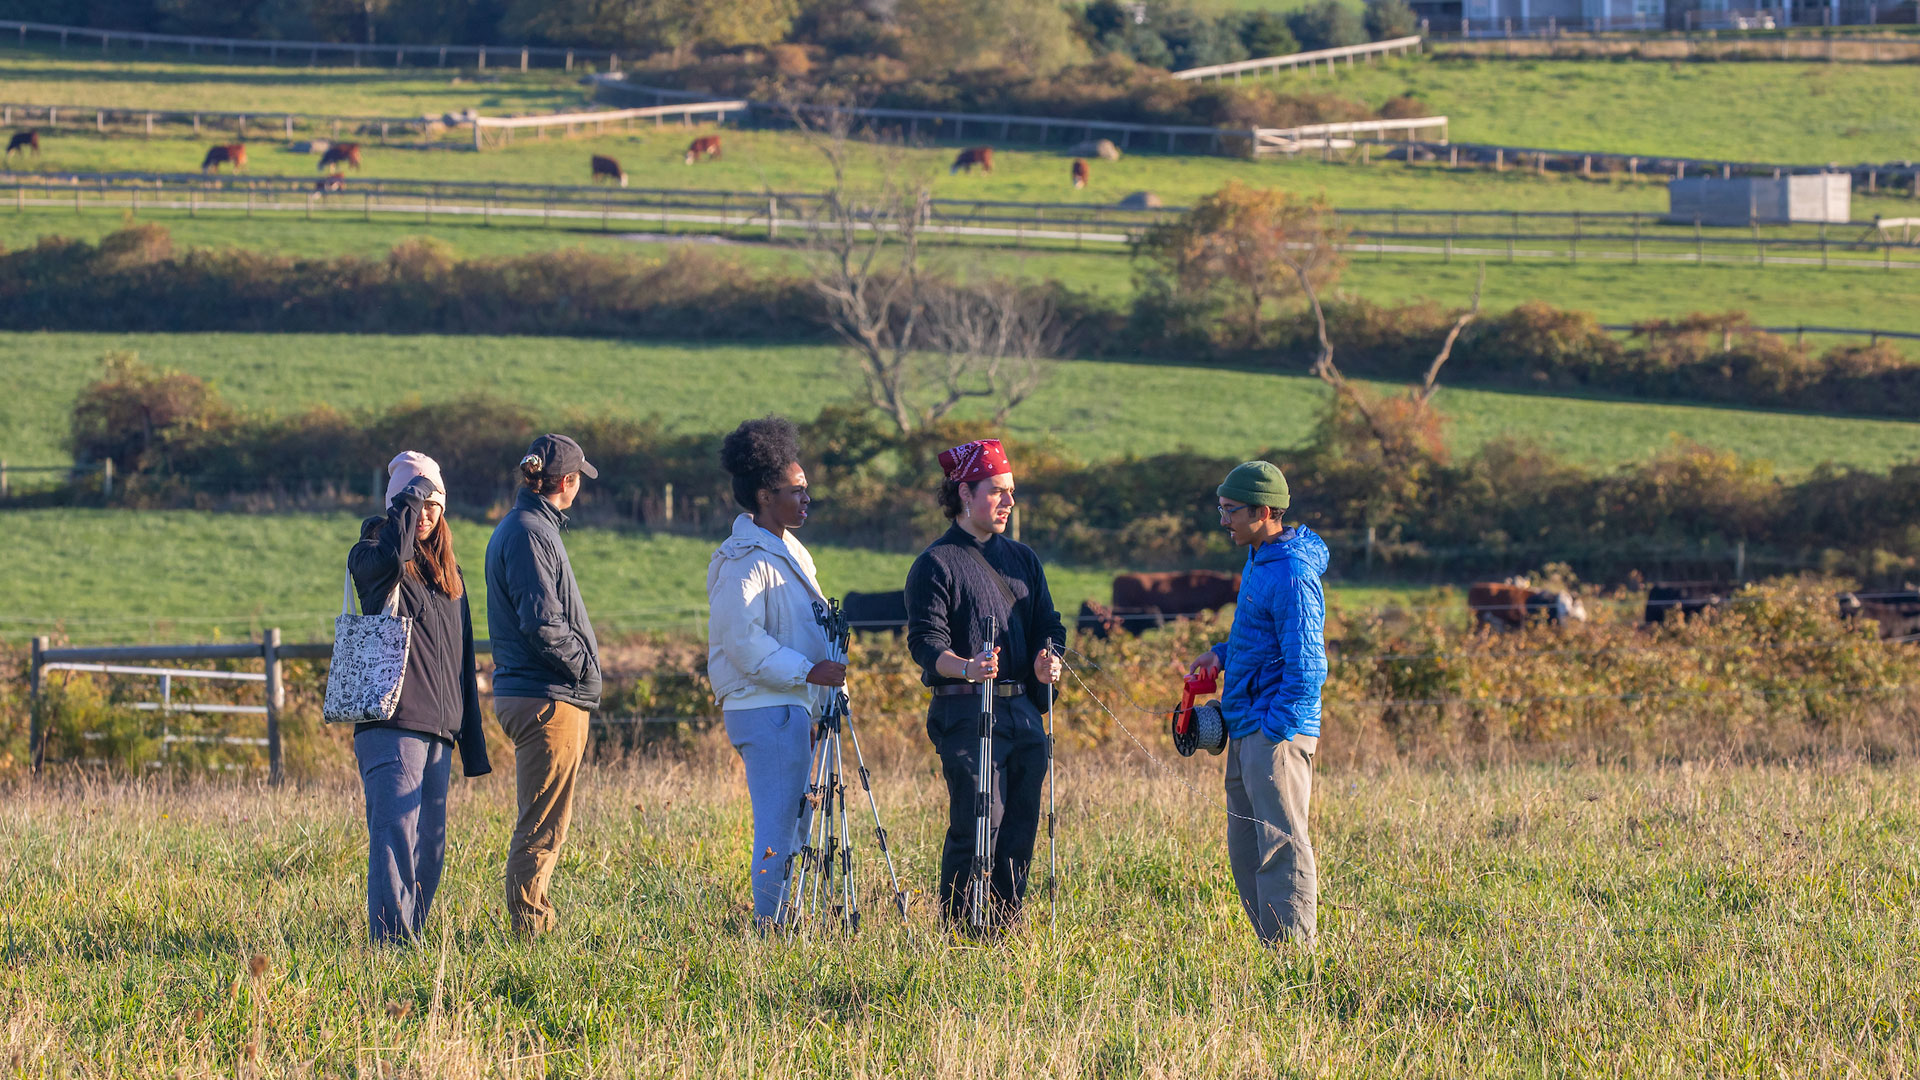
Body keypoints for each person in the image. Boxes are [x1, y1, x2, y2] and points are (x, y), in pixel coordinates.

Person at [904, 438, 1065, 930]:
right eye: (996, 491)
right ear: (964, 493)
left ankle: (1005, 929)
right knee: (979, 823)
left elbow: (1049, 625)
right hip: (964, 714)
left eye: (1011, 492)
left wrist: (1047, 660)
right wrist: (966, 666)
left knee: (1019, 826)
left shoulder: (1024, 559)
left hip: (1023, 712)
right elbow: (924, 644)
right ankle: (958, 931)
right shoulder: (935, 564)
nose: (1008, 502)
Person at [706, 416, 847, 928]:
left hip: (786, 706)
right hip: (765, 708)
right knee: (779, 825)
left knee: (795, 821)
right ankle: (769, 928)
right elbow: (742, 642)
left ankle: (784, 919)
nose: (807, 498)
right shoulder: (745, 560)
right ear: (765, 495)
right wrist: (809, 671)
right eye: (797, 490)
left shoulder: (786, 551)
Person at [347, 451, 492, 944]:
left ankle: (411, 936)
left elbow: (462, 660)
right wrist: (402, 508)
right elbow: (390, 555)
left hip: (439, 732)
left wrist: (469, 741)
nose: (425, 512)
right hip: (390, 725)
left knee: (429, 847)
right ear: (396, 507)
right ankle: (391, 947)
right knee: (395, 839)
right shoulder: (372, 559)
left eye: (434, 503)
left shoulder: (450, 579)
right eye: (415, 502)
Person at [1187, 461, 1329, 946]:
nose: (1223, 520)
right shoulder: (1260, 558)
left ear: (1265, 512)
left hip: (1274, 736)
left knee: (1282, 848)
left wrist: (1275, 729)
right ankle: (1274, 951)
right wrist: (1222, 655)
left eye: (1231, 511)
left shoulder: (1291, 573)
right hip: (1246, 725)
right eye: (1221, 508)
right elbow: (1266, 640)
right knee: (1247, 849)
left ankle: (1295, 965)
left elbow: (1308, 667)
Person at [485, 433, 603, 939]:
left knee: (545, 822)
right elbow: (543, 624)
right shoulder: (531, 532)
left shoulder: (527, 526)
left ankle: (533, 924)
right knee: (541, 827)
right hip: (547, 697)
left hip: (541, 693)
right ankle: (531, 934)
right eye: (580, 478)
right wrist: (583, 669)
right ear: (568, 481)